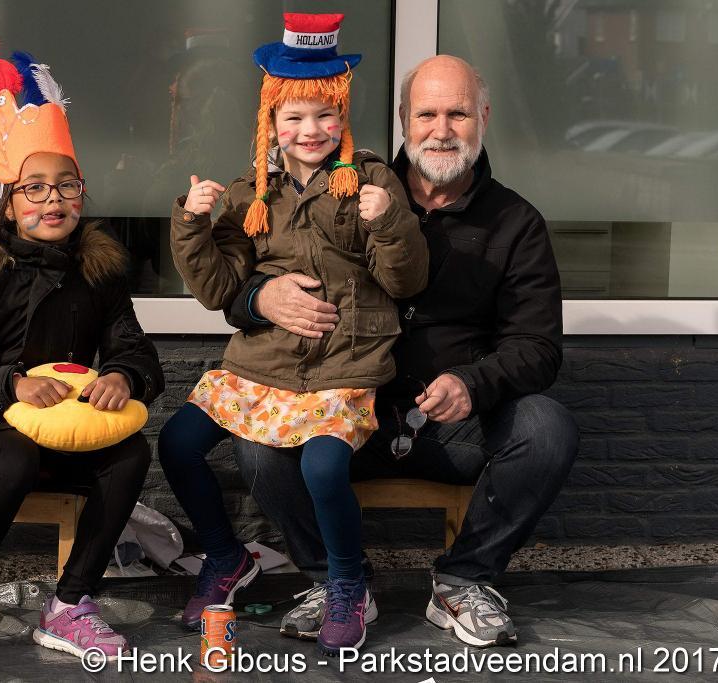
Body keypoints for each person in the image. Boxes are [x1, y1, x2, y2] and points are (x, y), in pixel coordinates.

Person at [224, 54, 579, 648]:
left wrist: (473, 383)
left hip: (452, 427)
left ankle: (464, 581)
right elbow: (232, 284)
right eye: (426, 114)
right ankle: (338, 583)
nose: (441, 130)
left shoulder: (515, 222)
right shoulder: (343, 188)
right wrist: (260, 297)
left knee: (547, 427)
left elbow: (538, 346)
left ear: (484, 117)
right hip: (337, 412)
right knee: (257, 445)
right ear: (403, 120)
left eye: (458, 114)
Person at [158, 13, 428, 656]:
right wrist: (192, 225)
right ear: (270, 121)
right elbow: (220, 290)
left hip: (344, 361)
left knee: (324, 465)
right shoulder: (252, 191)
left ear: (343, 117)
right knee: (177, 443)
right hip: (265, 360)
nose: (310, 131)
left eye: (324, 116)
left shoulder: (371, 181)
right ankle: (225, 557)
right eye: (294, 117)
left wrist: (389, 223)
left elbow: (406, 281)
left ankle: (346, 583)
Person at [0, 40, 164, 672]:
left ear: (81, 193)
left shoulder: (99, 269)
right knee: (17, 453)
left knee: (131, 453)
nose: (52, 201)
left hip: (71, 428)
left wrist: (123, 375)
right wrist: (10, 386)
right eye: (35, 188)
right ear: (8, 201)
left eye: (66, 186)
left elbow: (135, 348)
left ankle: (71, 605)